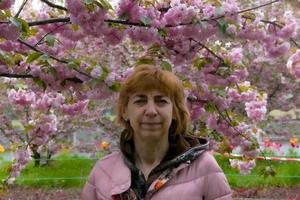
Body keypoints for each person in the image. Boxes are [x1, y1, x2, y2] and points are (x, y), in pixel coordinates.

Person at [82, 64, 232, 200]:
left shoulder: (204, 168)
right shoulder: (103, 171)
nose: (151, 111)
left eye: (161, 101)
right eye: (140, 101)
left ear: (174, 112)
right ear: (125, 112)